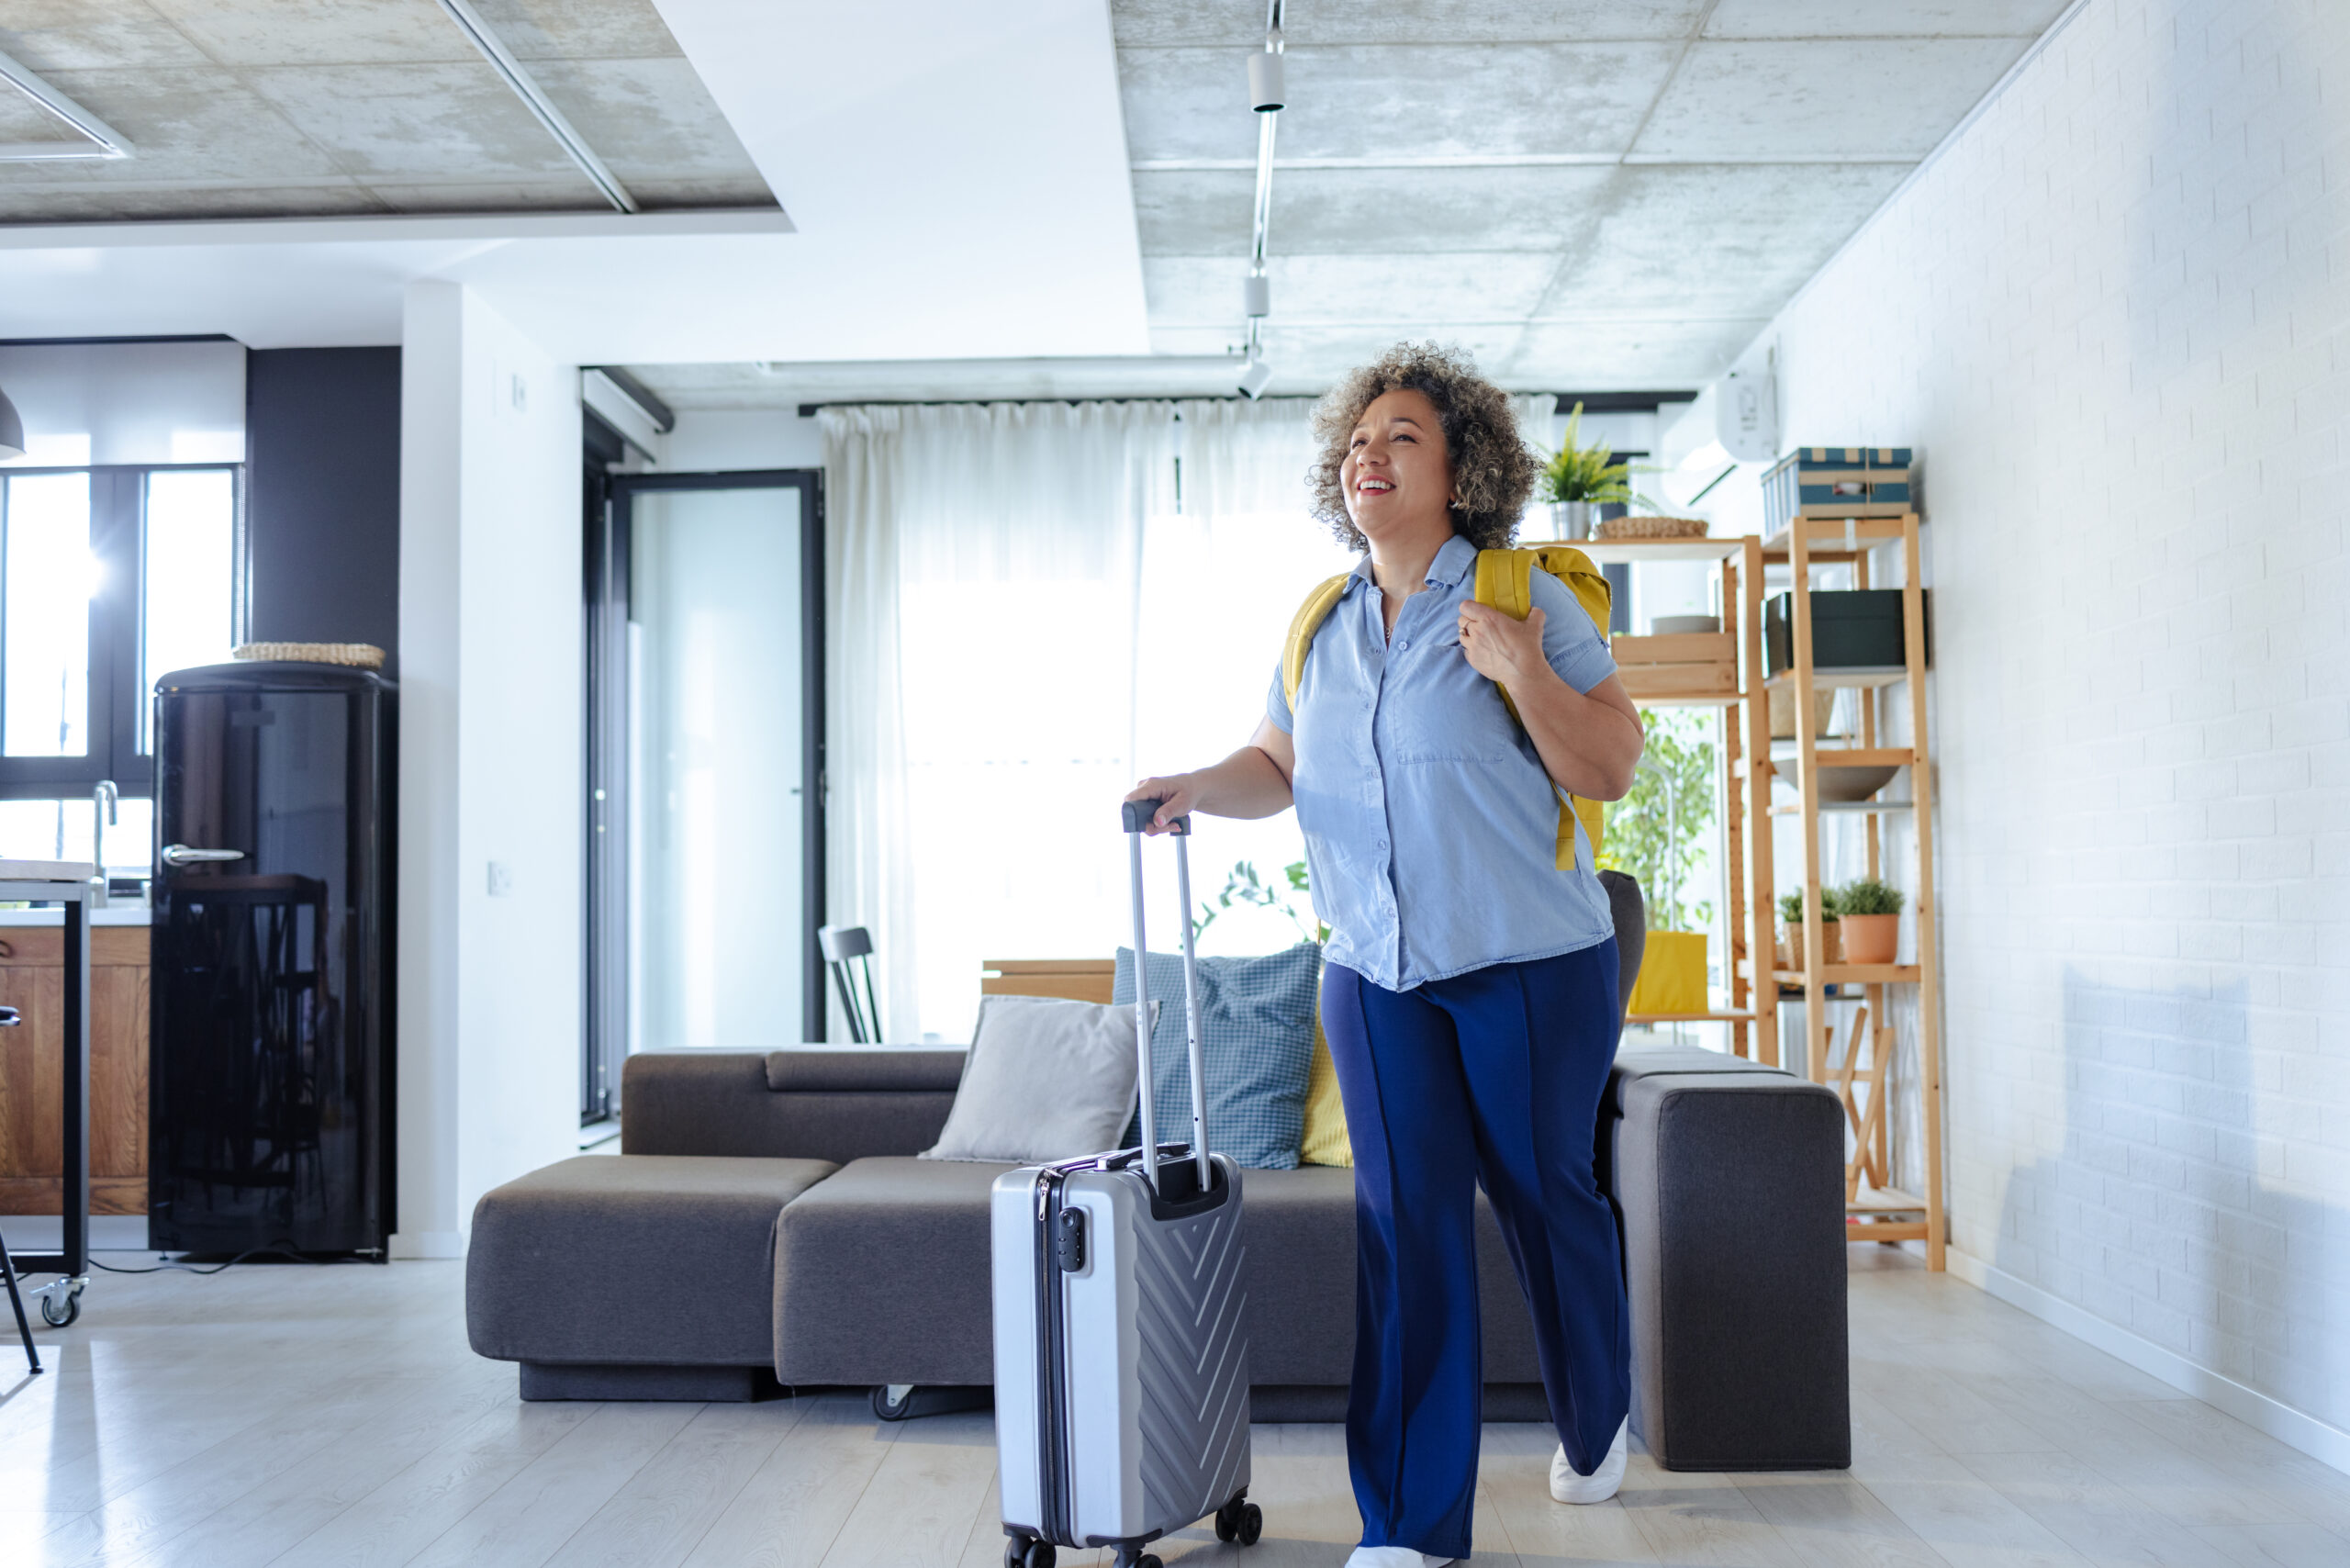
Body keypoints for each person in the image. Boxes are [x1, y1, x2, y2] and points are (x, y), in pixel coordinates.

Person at [1125, 342, 1645, 1568]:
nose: (1370, 453)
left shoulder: (1528, 599)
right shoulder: (1322, 625)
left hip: (1528, 964)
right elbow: (1282, 764)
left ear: (1460, 472)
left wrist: (1519, 670)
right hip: (1372, 973)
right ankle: (1410, 1527)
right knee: (1405, 1229)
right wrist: (1196, 785)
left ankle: (1595, 1415)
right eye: (1359, 440)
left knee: (1540, 1196)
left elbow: (1612, 764)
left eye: (1401, 436)